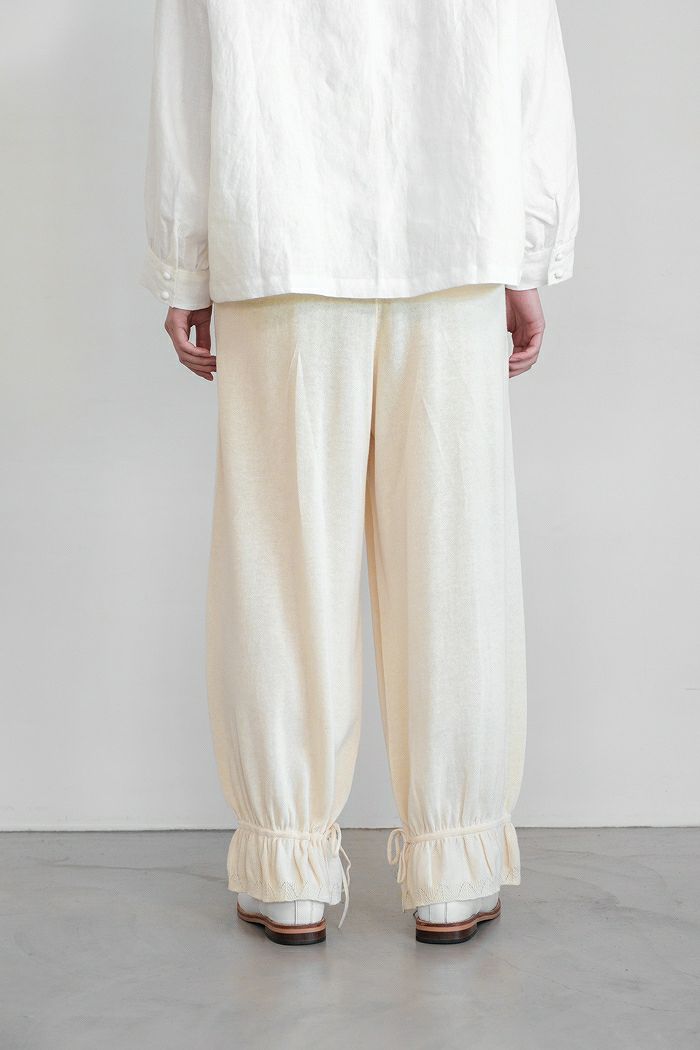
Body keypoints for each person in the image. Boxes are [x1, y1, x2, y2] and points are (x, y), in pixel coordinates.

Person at [141, 0, 579, 946]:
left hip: (280, 235)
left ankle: (287, 869)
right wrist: (526, 253)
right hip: (455, 240)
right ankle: (455, 869)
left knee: (280, 567)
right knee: (454, 566)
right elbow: (528, 62)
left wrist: (187, 265)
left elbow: (190, 82)